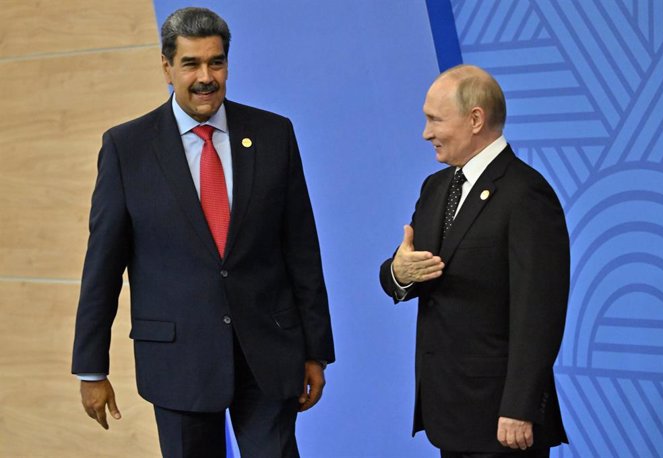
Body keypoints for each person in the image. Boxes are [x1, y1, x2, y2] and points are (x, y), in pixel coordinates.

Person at [71, 7, 334, 457]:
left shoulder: (274, 134)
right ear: (167, 67)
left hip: (268, 355)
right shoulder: (126, 148)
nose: (205, 77)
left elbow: (301, 250)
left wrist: (316, 351)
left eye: (216, 62)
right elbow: (103, 265)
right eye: (191, 64)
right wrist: (91, 368)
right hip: (179, 362)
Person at [379, 65, 569, 457]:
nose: (425, 133)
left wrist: (520, 406)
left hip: (502, 418)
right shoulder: (436, 188)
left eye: (434, 119)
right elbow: (408, 267)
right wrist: (398, 274)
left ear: (476, 119)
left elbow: (540, 312)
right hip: (448, 412)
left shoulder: (525, 194)